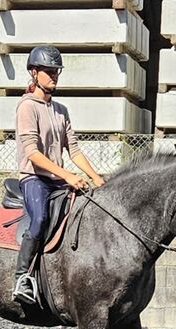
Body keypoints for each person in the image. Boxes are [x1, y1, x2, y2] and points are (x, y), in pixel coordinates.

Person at [12, 45, 106, 305]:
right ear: (34, 73)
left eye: (56, 71)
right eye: (48, 71)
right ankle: (21, 277)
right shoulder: (26, 107)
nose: (54, 76)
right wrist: (68, 175)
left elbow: (73, 150)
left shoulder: (61, 110)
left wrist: (97, 179)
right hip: (34, 178)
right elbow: (32, 153)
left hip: (57, 179)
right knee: (40, 218)